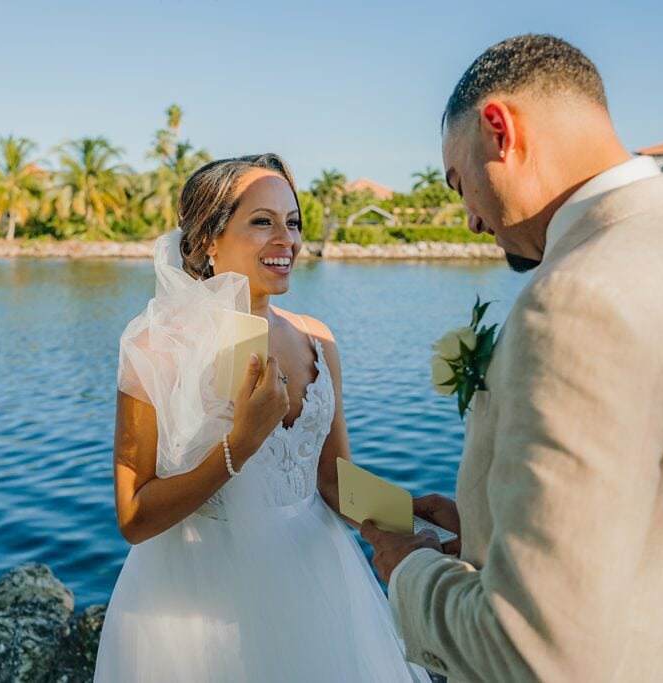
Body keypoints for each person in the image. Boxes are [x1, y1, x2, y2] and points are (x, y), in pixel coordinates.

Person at [361, 34, 663, 683]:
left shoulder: (578, 298)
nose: (469, 220)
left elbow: (532, 655)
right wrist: (491, 527)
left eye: (458, 182)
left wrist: (408, 565)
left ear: (499, 131)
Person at [94, 153, 429, 682]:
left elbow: (330, 480)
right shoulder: (157, 347)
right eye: (262, 221)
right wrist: (240, 446)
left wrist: (416, 516)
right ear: (209, 238)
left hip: (318, 579)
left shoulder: (317, 338)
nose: (287, 240)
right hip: (202, 601)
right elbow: (134, 517)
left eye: (293, 222)